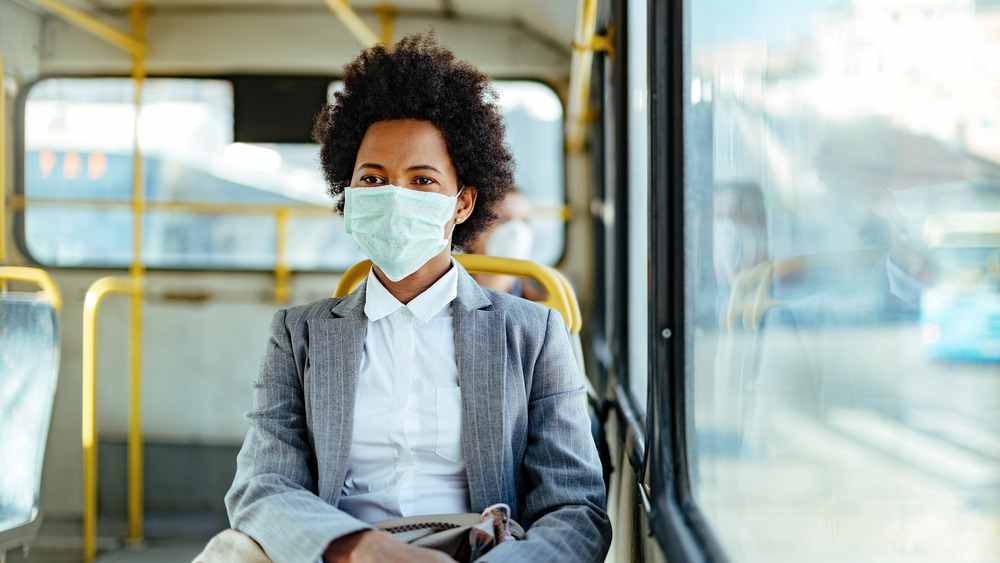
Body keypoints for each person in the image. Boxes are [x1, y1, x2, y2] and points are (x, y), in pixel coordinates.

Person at [220, 34, 611, 563]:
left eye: (422, 180)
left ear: (462, 203)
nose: (394, 196)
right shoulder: (298, 334)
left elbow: (574, 510)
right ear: (350, 196)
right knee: (232, 551)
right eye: (373, 179)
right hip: (342, 549)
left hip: (477, 550)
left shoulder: (534, 333)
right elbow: (262, 487)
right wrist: (360, 548)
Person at [466, 188, 546, 301]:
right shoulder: (448, 297)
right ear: (473, 231)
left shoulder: (543, 302)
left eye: (525, 221)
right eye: (504, 220)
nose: (517, 232)